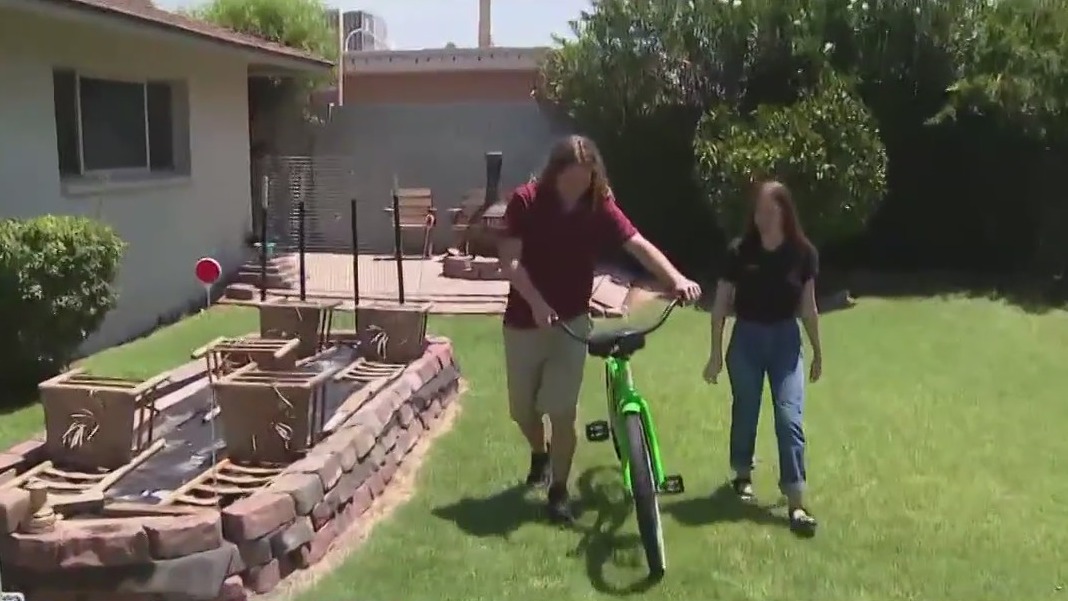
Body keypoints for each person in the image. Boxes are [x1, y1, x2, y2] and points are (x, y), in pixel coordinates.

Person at [499, 134, 702, 524]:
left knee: (560, 410)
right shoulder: (525, 201)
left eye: (586, 179)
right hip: (524, 323)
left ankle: (558, 491)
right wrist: (538, 303)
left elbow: (636, 242)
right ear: (555, 173)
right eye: (572, 179)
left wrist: (675, 278)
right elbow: (509, 264)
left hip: (572, 322)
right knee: (522, 410)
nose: (579, 187)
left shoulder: (599, 204)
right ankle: (539, 453)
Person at [703, 180, 822, 537]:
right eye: (757, 211)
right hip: (747, 341)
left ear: (785, 212)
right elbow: (720, 306)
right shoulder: (740, 251)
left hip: (786, 342)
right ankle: (742, 473)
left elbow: (808, 307)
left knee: (789, 417)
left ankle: (796, 500)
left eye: (769, 211)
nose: (762, 218)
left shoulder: (803, 253)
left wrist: (818, 351)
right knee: (747, 408)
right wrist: (714, 355)